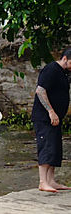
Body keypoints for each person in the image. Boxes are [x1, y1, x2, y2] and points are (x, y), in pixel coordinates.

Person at [32, 47, 71, 192]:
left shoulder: (64, 73)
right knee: (46, 146)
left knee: (55, 148)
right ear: (65, 59)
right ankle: (43, 181)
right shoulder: (51, 69)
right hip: (44, 117)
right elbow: (40, 90)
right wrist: (51, 111)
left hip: (56, 117)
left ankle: (51, 180)